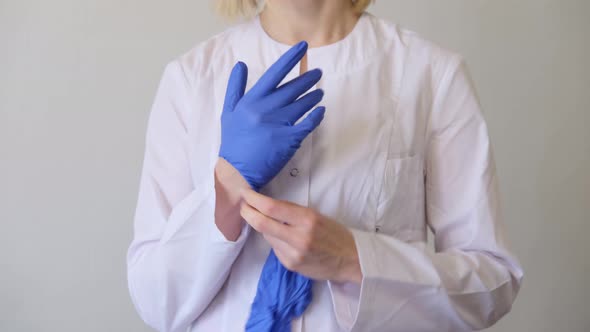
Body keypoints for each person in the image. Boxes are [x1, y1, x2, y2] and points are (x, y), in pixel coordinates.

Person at [126, 0, 524, 331]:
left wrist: (356, 259)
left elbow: (491, 284)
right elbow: (156, 301)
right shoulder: (191, 79)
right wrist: (228, 184)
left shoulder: (431, 75)